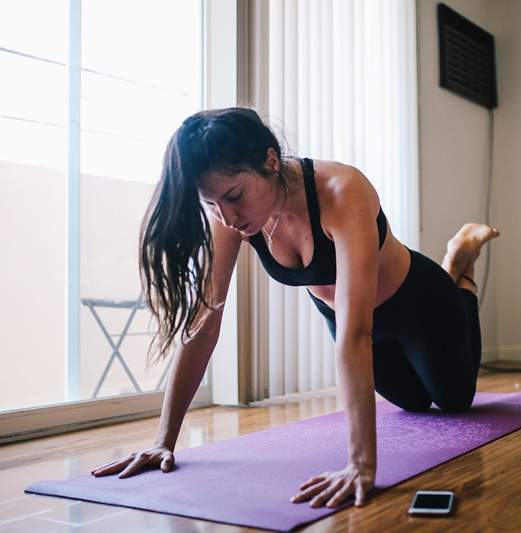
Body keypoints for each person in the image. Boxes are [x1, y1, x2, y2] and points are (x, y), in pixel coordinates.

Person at [90, 107, 500, 509]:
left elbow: (356, 335)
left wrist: (360, 465)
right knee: (413, 404)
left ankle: (457, 268)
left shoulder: (342, 191)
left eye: (234, 197)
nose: (227, 217)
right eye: (212, 204)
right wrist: (163, 441)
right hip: (349, 318)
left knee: (453, 402)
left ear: (270, 161)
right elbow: (204, 325)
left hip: (421, 305)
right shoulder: (230, 217)